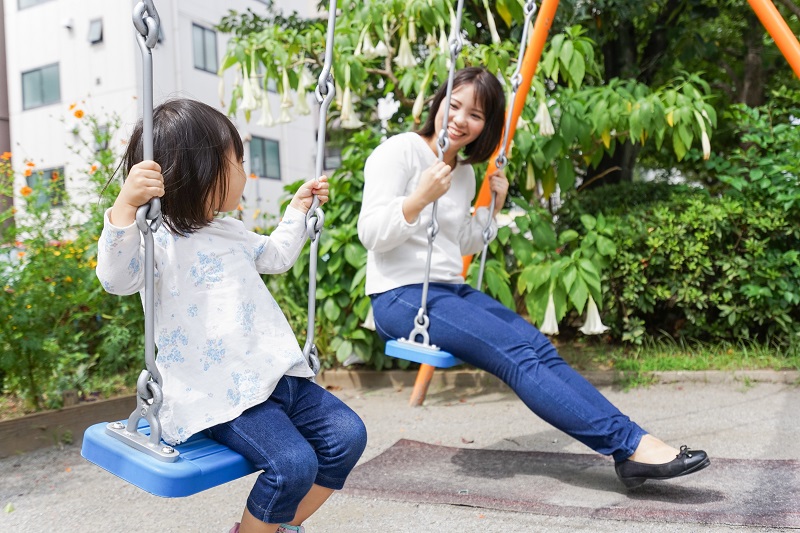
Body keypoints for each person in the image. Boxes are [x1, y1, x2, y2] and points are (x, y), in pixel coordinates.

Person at [357, 66, 709, 489]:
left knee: (536, 346)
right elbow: (372, 235)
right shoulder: (399, 152)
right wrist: (418, 199)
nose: (459, 119)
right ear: (438, 103)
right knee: (515, 355)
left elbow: (461, 242)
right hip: (401, 297)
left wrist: (492, 208)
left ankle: (631, 446)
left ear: (486, 126)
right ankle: (631, 446)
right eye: (454, 105)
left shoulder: (464, 173)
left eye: (475, 115)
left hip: (449, 288)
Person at [97, 99, 367, 533]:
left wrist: (297, 211)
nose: (245, 168)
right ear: (202, 171)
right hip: (220, 392)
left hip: (278, 377)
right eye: (237, 159)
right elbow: (115, 278)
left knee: (347, 437)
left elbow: (276, 256)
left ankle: (274, 527)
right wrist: (125, 208)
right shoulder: (156, 241)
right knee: (293, 464)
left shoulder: (230, 230)